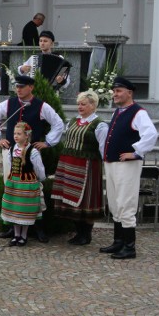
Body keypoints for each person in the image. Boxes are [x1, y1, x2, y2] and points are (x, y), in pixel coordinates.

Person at [0, 74, 64, 242]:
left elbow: (58, 123)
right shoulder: (9, 104)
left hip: (30, 153)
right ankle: (12, 227)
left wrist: (48, 142)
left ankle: (38, 228)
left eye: (22, 87)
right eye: (17, 86)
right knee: (12, 189)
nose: (18, 89)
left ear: (31, 87)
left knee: (34, 193)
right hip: (12, 152)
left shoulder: (41, 106)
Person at [99, 76, 158, 260]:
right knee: (115, 202)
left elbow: (151, 134)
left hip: (127, 165)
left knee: (126, 202)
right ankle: (118, 242)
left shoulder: (138, 112)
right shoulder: (119, 112)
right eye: (114, 91)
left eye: (118, 91)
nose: (114, 94)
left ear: (129, 93)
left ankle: (129, 247)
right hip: (113, 163)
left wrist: (136, 152)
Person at [51, 91, 109, 246]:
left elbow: (104, 148)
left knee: (86, 201)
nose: (80, 107)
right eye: (79, 104)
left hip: (88, 167)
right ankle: (79, 232)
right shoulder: (73, 121)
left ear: (93, 105)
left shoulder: (100, 125)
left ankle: (86, 234)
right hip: (68, 165)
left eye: (83, 104)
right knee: (69, 200)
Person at [0, 122, 46, 247]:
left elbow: (39, 168)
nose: (15, 136)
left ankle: (24, 236)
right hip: (14, 183)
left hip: (27, 184)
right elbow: (10, 164)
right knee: (15, 209)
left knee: (24, 209)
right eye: (15, 133)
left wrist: (39, 179)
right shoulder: (13, 149)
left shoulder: (33, 151)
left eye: (19, 134)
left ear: (26, 136)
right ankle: (16, 235)